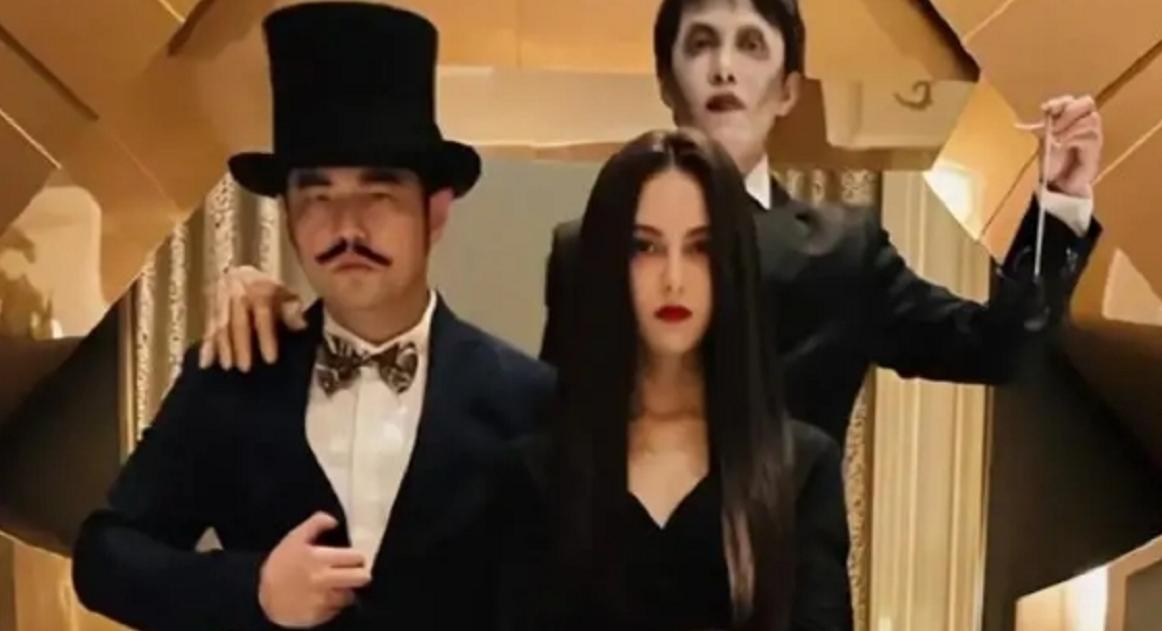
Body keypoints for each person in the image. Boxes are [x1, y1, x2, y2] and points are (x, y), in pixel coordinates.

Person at [197, 0, 1104, 447]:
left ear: (788, 89)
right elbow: (548, 430)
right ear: (669, 80)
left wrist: (1059, 205)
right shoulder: (587, 248)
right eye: (699, 44)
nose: (724, 67)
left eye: (751, 45)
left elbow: (1003, 349)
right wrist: (305, 312)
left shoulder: (846, 251)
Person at [71, 4, 552, 630]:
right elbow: (104, 556)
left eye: (377, 195)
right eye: (318, 196)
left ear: (434, 214)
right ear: (289, 216)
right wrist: (253, 589)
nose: (347, 226)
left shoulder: (529, 399)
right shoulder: (234, 375)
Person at [497, 128, 849, 631]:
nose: (674, 279)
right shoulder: (537, 472)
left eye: (701, 248)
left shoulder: (800, 470)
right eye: (645, 247)